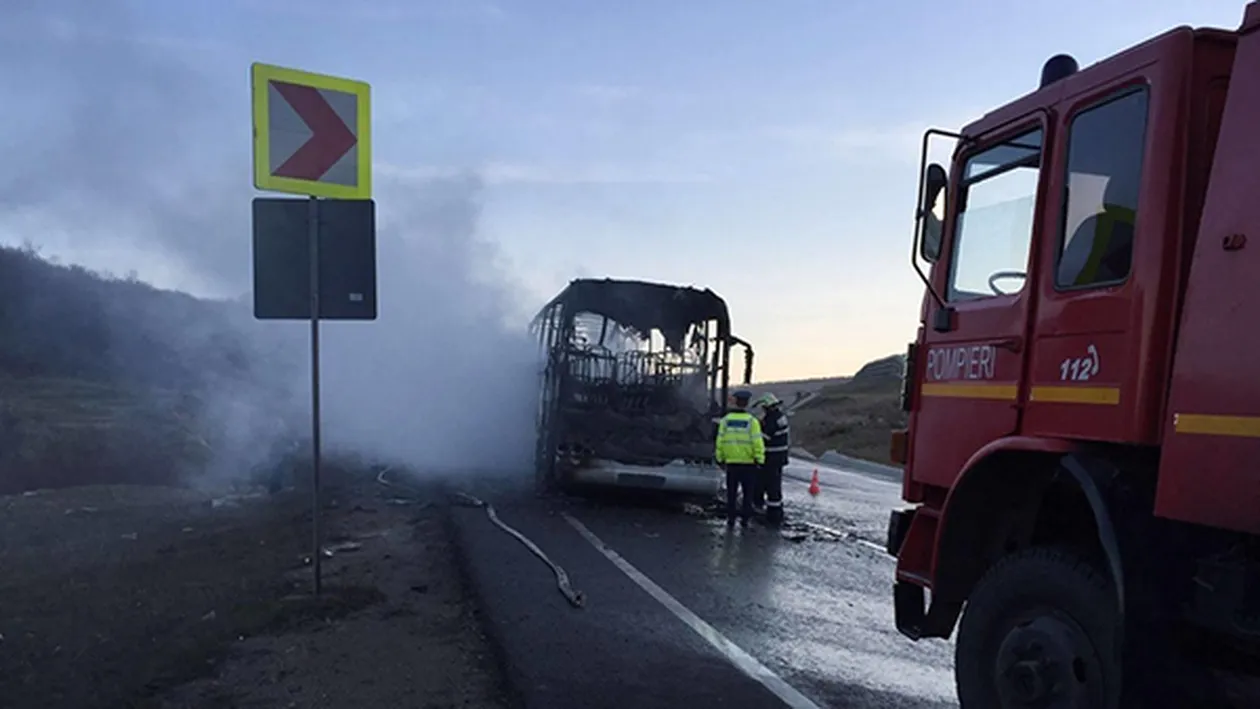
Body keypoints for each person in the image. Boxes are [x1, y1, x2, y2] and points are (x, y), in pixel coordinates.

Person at [715, 389, 765, 526]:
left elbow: (720, 441)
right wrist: (760, 459)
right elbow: (757, 442)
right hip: (749, 463)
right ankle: (745, 520)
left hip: (731, 463)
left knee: (731, 492)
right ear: (747, 403)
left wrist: (720, 458)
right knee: (747, 494)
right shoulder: (752, 422)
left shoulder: (725, 421)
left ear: (735, 402)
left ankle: (731, 519)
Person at [754, 393, 791, 526]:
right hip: (777, 459)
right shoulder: (780, 417)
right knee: (773, 487)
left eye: (764, 407)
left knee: (769, 486)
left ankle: (772, 516)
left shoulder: (772, 419)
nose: (763, 410)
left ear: (768, 406)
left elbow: (764, 437)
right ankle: (775, 513)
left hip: (771, 459)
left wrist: (756, 427)